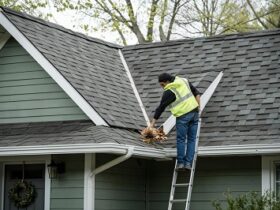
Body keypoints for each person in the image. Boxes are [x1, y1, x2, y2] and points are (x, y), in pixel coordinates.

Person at [149, 73, 201, 170]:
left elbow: (161, 108)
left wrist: (152, 124)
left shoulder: (169, 91)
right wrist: (198, 108)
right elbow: (197, 93)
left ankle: (181, 163)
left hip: (183, 116)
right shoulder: (184, 80)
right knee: (191, 140)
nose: (162, 87)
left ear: (167, 82)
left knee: (181, 139)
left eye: (162, 85)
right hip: (194, 114)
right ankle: (188, 164)